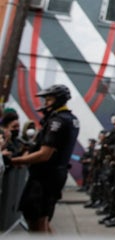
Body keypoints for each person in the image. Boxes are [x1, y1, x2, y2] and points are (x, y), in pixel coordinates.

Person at [11, 85, 80, 233]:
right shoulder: (70, 119)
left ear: (59, 100)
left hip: (45, 177)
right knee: (43, 221)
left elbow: (45, 154)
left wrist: (16, 161)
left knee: (37, 221)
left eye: (49, 99)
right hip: (54, 175)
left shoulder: (58, 121)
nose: (46, 103)